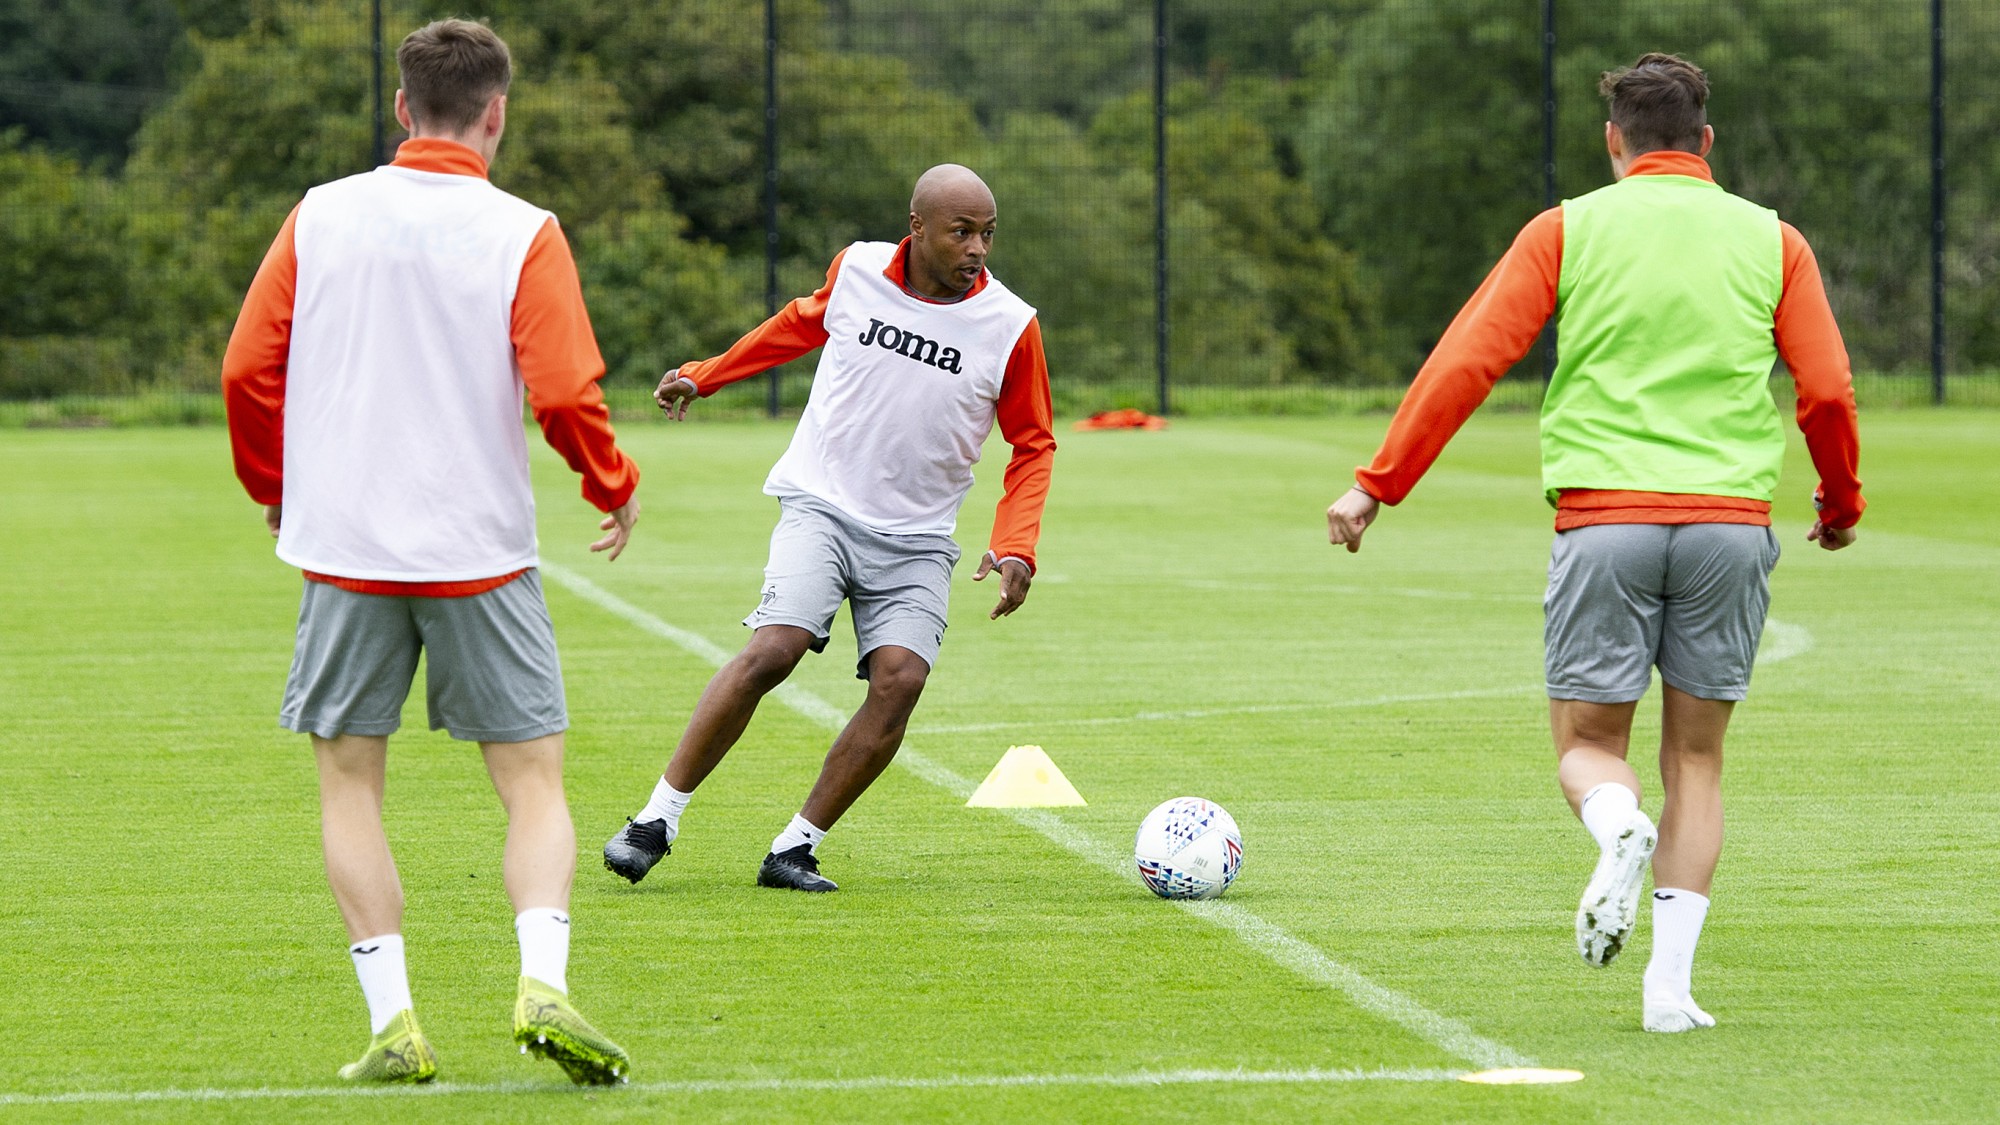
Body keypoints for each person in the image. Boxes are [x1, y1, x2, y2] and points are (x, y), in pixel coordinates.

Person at [1324, 53, 1863, 1033]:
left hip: (1604, 523)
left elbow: (1466, 361)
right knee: (1694, 763)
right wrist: (1837, 503)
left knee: (1587, 748)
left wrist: (1377, 486)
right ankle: (1668, 993)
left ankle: (1613, 829)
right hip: (1727, 529)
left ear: (1613, 142)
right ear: (1704, 142)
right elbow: (1824, 390)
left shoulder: (1565, 228)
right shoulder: (1770, 239)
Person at [221, 19, 637, 1084]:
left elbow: (244, 372)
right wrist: (612, 485)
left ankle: (393, 1025)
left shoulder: (320, 215)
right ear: (495, 114)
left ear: (402, 108)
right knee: (533, 784)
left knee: (351, 785)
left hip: (346, 549)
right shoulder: (522, 230)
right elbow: (562, 392)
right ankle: (542, 981)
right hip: (480, 554)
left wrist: (276, 493)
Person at [602, 164, 1056, 894]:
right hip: (822, 505)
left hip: (917, 539)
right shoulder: (858, 270)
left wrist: (1016, 543)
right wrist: (706, 373)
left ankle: (796, 848)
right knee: (774, 649)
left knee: (901, 678)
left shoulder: (1010, 325)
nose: (978, 248)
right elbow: (794, 325)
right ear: (918, 227)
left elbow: (1034, 443)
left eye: (987, 233)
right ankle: (656, 818)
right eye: (961, 231)